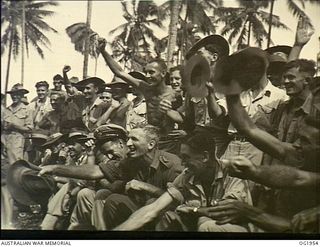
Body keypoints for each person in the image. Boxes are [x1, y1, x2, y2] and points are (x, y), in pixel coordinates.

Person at [114, 133, 252, 232]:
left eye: (187, 158)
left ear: (205, 156)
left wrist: (194, 210)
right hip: (203, 226)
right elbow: (153, 209)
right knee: (168, 216)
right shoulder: (188, 176)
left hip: (234, 228)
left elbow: (225, 214)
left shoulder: (233, 173)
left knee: (206, 225)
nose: (183, 163)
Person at [97, 39, 182, 153]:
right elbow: (120, 72)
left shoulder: (174, 93)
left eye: (151, 72)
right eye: (146, 72)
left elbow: (186, 117)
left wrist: (185, 132)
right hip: (150, 139)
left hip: (169, 141)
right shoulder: (146, 88)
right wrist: (103, 51)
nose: (147, 76)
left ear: (162, 73)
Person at [39, 124, 129, 230]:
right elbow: (91, 176)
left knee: (97, 193)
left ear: (121, 144)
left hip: (128, 204)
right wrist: (91, 154)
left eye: (110, 152)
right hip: (112, 201)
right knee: (85, 193)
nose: (110, 156)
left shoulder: (130, 158)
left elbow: (113, 186)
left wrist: (56, 173)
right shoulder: (113, 157)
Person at [97, 125, 183, 230]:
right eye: (128, 139)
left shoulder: (172, 163)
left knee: (152, 202)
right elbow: (97, 171)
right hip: (141, 208)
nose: (128, 144)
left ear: (151, 144)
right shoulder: (131, 161)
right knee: (113, 199)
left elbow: (179, 199)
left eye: (134, 139)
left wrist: (145, 187)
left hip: (165, 214)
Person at [62, 65, 109, 132]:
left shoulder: (104, 105)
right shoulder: (82, 102)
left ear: (96, 89)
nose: (84, 91)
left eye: (88, 88)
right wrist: (64, 74)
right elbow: (69, 88)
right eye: (83, 88)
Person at [3, 84, 33, 165]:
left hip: (18, 141)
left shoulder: (26, 109)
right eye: (13, 94)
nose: (14, 96)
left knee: (16, 165)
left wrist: (14, 126)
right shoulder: (7, 109)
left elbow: (30, 129)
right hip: (6, 141)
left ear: (22, 95)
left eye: (17, 94)